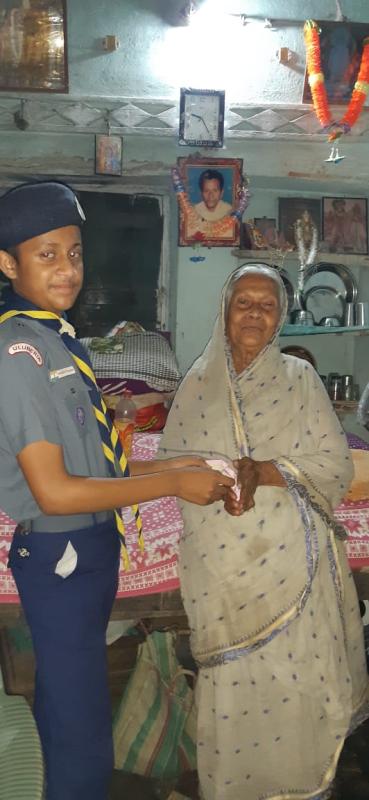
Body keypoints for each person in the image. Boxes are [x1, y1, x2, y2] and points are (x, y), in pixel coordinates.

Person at [0, 180, 234, 800]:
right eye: (46, 254)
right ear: (7, 263)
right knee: (83, 746)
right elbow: (54, 493)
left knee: (68, 709)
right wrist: (179, 481)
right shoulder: (19, 351)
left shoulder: (56, 339)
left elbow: (100, 471)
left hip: (88, 551)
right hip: (62, 554)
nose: (67, 269)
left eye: (74, 253)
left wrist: (179, 465)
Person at [160, 263, 369, 800]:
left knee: (298, 687)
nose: (254, 314)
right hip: (222, 571)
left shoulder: (301, 381)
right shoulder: (196, 383)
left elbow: (336, 467)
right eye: (243, 303)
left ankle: (302, 787)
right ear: (225, 313)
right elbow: (171, 464)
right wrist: (212, 483)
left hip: (294, 565)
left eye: (267, 305)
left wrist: (265, 472)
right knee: (234, 696)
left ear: (280, 318)